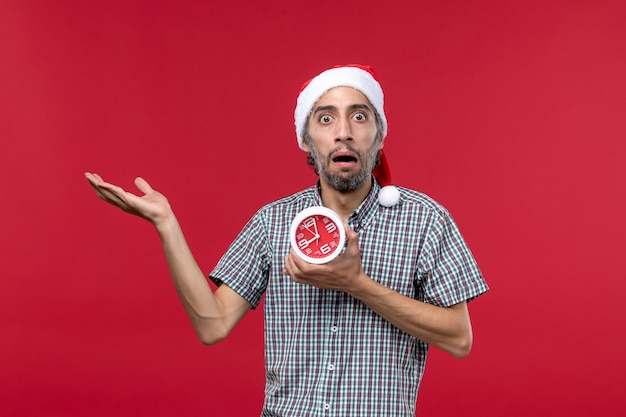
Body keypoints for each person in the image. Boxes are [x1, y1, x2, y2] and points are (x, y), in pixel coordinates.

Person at [85, 64, 488, 416]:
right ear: (307, 141)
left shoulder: (424, 220)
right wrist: (166, 224)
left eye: (359, 117)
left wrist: (356, 284)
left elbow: (459, 338)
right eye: (326, 120)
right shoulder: (272, 222)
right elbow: (213, 324)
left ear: (379, 137)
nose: (343, 133)